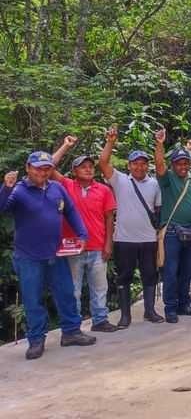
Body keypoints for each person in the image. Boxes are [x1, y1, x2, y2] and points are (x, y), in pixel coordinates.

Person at [1, 152, 96, 360]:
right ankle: (36, 340)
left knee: (66, 293)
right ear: (28, 168)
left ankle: (71, 332)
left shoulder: (57, 188)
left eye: (46, 168)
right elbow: (3, 208)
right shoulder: (18, 191)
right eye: (38, 168)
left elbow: (70, 211)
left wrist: (82, 234)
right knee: (33, 300)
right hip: (29, 257)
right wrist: (6, 188)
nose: (42, 172)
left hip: (56, 254)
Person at [50, 136, 118, 333]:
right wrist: (65, 145)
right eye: (83, 166)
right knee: (73, 291)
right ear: (74, 171)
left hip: (97, 247)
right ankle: (74, 327)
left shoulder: (104, 190)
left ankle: (100, 321)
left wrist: (108, 245)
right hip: (72, 247)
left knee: (100, 288)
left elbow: (108, 219)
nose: (88, 169)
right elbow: (49, 166)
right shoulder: (67, 185)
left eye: (90, 166)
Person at [99, 127, 164, 326]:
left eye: (143, 164)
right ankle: (125, 315)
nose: (140, 167)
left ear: (148, 166)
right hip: (124, 239)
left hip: (148, 239)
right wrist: (110, 141)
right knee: (124, 276)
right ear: (129, 165)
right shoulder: (119, 180)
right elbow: (103, 163)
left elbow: (158, 210)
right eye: (136, 164)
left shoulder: (154, 184)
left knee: (149, 275)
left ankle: (150, 311)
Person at [154, 129, 191, 323]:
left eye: (185, 163)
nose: (183, 166)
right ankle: (170, 308)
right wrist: (160, 144)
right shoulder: (167, 180)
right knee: (171, 270)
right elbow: (159, 165)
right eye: (179, 163)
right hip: (173, 232)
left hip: (190, 231)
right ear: (173, 165)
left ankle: (184, 304)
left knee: (187, 270)